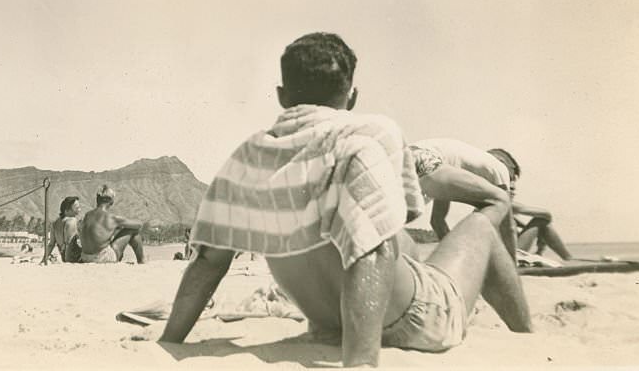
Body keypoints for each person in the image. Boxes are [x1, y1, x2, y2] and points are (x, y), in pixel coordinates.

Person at [159, 32, 531, 366]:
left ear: (282, 96)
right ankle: (527, 336)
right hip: (413, 320)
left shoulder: (247, 157)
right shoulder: (368, 136)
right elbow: (373, 249)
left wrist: (169, 342)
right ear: (352, 96)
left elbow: (208, 262)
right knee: (493, 208)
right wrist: (362, 364)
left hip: (326, 323)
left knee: (401, 243)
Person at [407, 138, 518, 260]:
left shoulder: (454, 162)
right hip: (426, 158)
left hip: (407, 156)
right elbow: (508, 225)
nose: (511, 185)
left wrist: (452, 257)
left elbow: (437, 221)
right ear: (508, 165)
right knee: (501, 201)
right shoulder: (500, 168)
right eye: (512, 177)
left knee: (398, 221)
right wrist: (513, 264)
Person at [488, 148, 574, 261]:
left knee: (540, 224)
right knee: (541, 221)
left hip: (499, 253)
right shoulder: (507, 203)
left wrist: (537, 233)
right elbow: (546, 214)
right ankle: (568, 258)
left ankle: (563, 257)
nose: (512, 191)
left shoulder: (488, 199)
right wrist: (539, 234)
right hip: (507, 255)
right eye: (511, 187)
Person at [78, 185, 145, 264]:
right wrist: (121, 225)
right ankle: (141, 261)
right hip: (102, 258)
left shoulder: (87, 215)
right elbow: (139, 225)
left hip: (85, 257)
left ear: (97, 199)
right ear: (111, 201)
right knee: (132, 230)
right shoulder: (112, 218)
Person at [45, 196, 82, 263]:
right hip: (74, 258)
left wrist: (44, 259)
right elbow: (69, 244)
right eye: (76, 207)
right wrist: (68, 261)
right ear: (67, 209)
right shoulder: (72, 221)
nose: (79, 209)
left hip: (64, 257)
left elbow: (51, 244)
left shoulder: (55, 223)